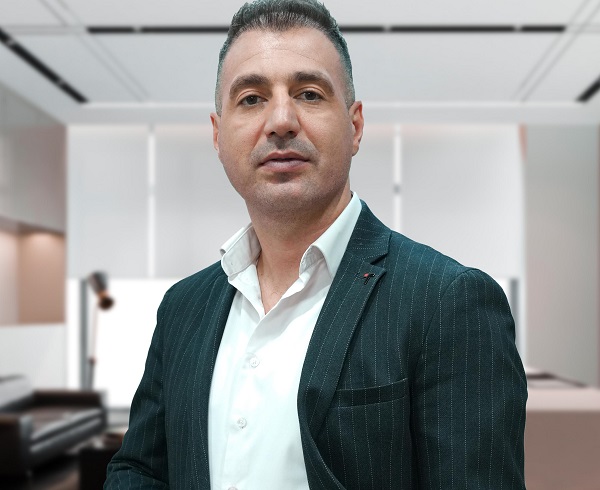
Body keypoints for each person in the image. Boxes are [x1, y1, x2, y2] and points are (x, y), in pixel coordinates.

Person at [105, 0, 527, 488]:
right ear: (218, 136)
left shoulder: (448, 302)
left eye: (308, 94)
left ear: (355, 126)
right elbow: (140, 469)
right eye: (251, 99)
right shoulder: (183, 307)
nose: (281, 120)